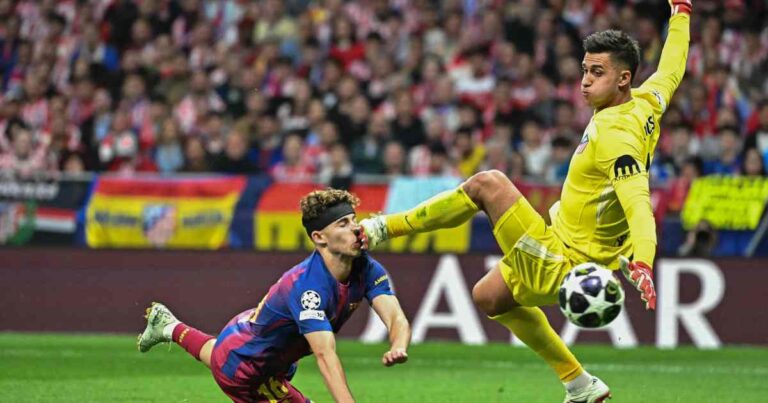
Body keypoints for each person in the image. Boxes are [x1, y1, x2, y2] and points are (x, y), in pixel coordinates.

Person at [360, 1, 692, 402]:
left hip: (565, 262)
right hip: (567, 244)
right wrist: (681, 12)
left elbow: (639, 201)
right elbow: (672, 68)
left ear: (623, 79)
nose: (585, 81)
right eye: (585, 70)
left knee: (488, 184)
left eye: (597, 73)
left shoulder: (616, 136)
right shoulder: (648, 101)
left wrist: (644, 259)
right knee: (489, 296)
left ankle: (383, 227)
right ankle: (580, 384)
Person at [138, 189, 410, 403]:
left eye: (353, 220)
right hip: (250, 375)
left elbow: (395, 316)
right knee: (229, 360)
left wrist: (399, 345)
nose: (356, 228)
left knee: (225, 353)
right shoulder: (308, 289)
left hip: (248, 344)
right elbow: (325, 355)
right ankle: (172, 328)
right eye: (343, 223)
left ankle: (170, 326)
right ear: (319, 238)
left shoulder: (366, 267)